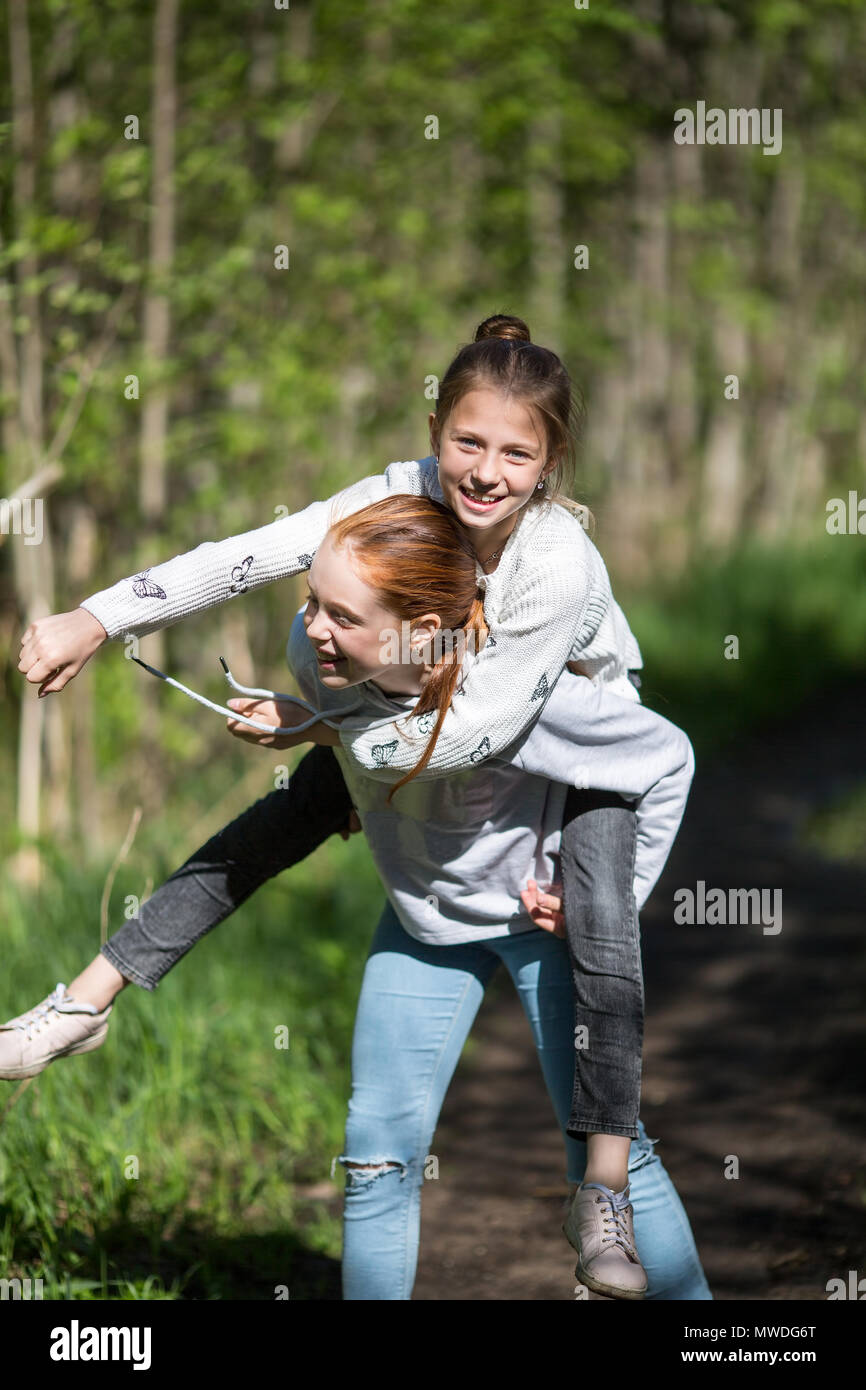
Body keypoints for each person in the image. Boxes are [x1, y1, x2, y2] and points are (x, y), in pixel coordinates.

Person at [11, 316, 704, 1297]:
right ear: (433, 430)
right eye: (466, 441)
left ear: (549, 464)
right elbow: (254, 552)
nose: (485, 470)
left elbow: (480, 726)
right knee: (376, 1155)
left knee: (609, 1125)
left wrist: (320, 729)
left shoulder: (555, 564)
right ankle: (84, 1002)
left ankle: (638, 1247)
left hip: (569, 774)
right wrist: (102, 612)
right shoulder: (388, 511)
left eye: (516, 452)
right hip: (428, 873)